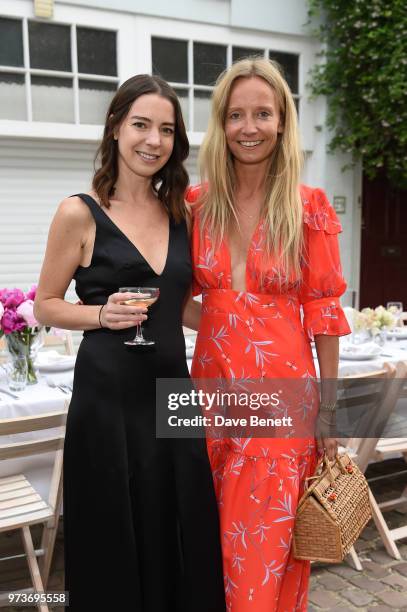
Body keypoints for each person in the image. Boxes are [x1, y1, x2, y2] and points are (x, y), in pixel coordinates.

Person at [34, 74, 225, 611]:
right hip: (107, 396)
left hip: (173, 393)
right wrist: (100, 313)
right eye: (141, 124)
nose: (153, 140)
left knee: (183, 517)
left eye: (166, 129)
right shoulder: (80, 210)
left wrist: (237, 322)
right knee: (115, 529)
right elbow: (45, 303)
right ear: (116, 127)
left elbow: (179, 305)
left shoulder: (183, 214)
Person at [186, 58, 351, 612]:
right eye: (236, 115)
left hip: (281, 400)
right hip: (207, 397)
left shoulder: (308, 207)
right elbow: (192, 303)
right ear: (221, 123)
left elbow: (324, 317)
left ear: (282, 122)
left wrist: (328, 412)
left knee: (258, 555)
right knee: (210, 545)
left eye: (262, 113)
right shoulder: (195, 204)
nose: (249, 127)